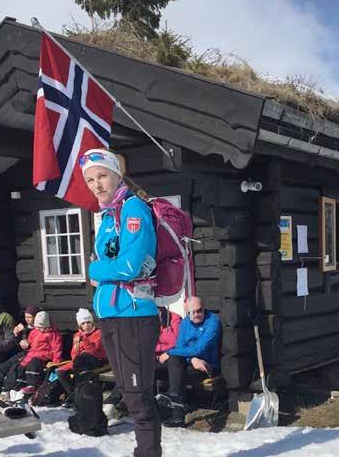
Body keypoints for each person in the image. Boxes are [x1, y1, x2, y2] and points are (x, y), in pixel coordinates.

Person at [81, 148, 161, 457]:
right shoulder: (107, 216)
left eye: (102, 176)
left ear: (117, 175)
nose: (97, 184)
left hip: (134, 314)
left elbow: (128, 266)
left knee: (139, 398)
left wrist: (95, 270)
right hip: (110, 314)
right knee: (129, 395)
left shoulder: (133, 209)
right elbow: (113, 263)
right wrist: (103, 270)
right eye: (90, 180)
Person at [158, 296, 221, 428]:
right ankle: (167, 403)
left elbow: (198, 349)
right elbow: (181, 347)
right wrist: (192, 359)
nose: (197, 314)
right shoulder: (186, 323)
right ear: (186, 312)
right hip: (190, 363)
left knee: (174, 363)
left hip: (206, 366)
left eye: (200, 310)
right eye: (193, 312)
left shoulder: (212, 322)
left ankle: (177, 412)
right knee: (157, 367)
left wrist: (170, 352)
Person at [4, 311, 63, 395]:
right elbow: (30, 342)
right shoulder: (34, 332)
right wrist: (26, 344)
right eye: (37, 327)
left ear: (47, 325)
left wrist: (56, 361)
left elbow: (57, 348)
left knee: (33, 364)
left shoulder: (53, 334)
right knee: (20, 365)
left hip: (44, 355)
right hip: (31, 354)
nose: (39, 329)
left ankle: (32, 385)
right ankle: (17, 385)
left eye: (42, 327)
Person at [56, 308, 107, 404]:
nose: (86, 325)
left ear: (92, 322)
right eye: (83, 323)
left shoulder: (98, 334)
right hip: (80, 361)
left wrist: (85, 340)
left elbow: (93, 352)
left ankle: (80, 397)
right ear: (80, 325)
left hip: (96, 359)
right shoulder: (77, 335)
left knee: (81, 370)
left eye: (88, 322)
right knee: (60, 372)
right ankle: (73, 395)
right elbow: (74, 355)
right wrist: (77, 345)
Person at [0, 305, 38, 395]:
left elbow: (40, 346)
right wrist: (16, 334)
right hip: (23, 352)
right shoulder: (24, 328)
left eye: (30, 317)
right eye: (26, 317)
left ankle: (8, 389)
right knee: (2, 367)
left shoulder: (40, 329)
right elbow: (16, 344)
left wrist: (28, 345)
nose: (27, 319)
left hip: (32, 354)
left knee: (14, 368)